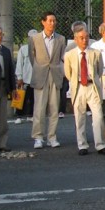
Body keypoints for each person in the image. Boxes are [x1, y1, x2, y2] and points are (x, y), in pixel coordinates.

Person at [64, 25, 105, 156]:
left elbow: (99, 70)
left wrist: (93, 80)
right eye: (81, 38)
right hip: (78, 87)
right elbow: (68, 73)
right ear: (76, 39)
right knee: (79, 117)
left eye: (86, 37)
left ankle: (100, 144)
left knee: (98, 116)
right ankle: (82, 145)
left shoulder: (95, 53)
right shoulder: (69, 55)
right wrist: (76, 81)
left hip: (92, 87)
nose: (84, 40)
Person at [28, 12, 66, 149]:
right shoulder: (34, 38)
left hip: (55, 74)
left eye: (54, 21)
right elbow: (32, 57)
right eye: (50, 21)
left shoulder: (61, 39)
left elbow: (62, 57)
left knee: (54, 108)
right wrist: (39, 68)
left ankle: (52, 137)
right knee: (39, 108)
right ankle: (38, 137)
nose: (52, 23)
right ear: (43, 22)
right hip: (40, 75)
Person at [14, 29, 37, 122]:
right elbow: (19, 63)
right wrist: (19, 77)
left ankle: (30, 115)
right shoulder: (23, 49)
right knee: (21, 97)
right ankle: (18, 116)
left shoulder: (39, 49)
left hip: (35, 78)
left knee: (33, 98)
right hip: (25, 78)